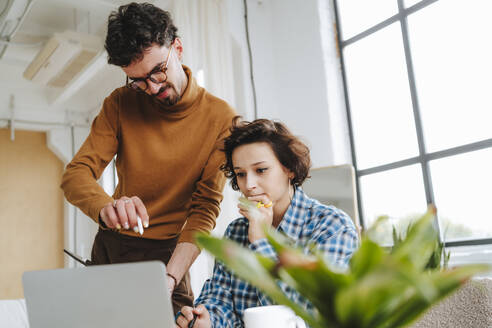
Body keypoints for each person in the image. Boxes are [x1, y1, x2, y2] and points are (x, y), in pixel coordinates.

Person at [60, 2, 235, 313]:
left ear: (177, 48)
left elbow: (205, 208)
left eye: (158, 71)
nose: (152, 88)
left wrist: (170, 276)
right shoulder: (120, 103)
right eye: (138, 81)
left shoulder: (221, 119)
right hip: (112, 249)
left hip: (171, 255)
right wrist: (106, 208)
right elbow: (75, 175)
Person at [175, 118, 359, 328]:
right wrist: (206, 320)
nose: (249, 185)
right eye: (240, 174)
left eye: (261, 170)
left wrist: (262, 242)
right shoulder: (236, 232)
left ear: (289, 169)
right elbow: (219, 300)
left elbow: (307, 315)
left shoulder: (332, 227)